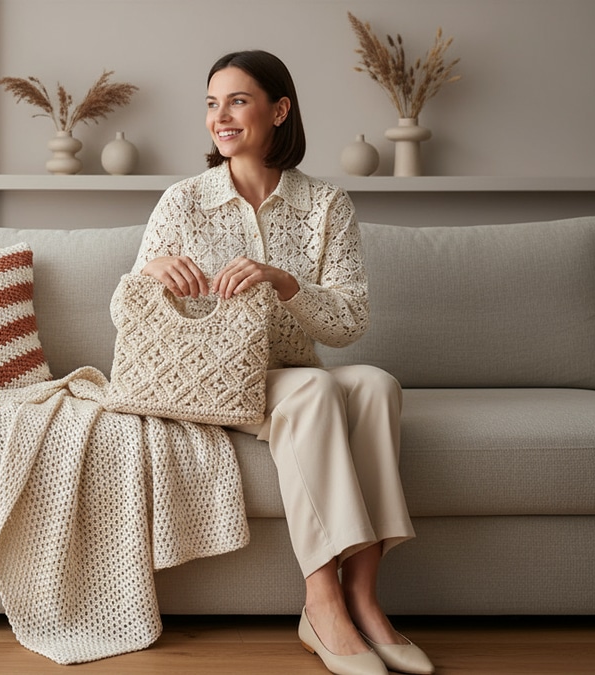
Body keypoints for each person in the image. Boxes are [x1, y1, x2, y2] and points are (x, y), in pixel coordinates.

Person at [134, 50, 434, 675]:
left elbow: (349, 325)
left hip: (292, 372)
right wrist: (152, 274)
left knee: (376, 385)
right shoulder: (182, 202)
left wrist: (285, 282)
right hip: (214, 380)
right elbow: (128, 315)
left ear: (280, 110)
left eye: (238, 101)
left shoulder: (326, 205)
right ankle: (321, 603)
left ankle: (365, 596)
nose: (221, 117)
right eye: (212, 103)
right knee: (316, 394)